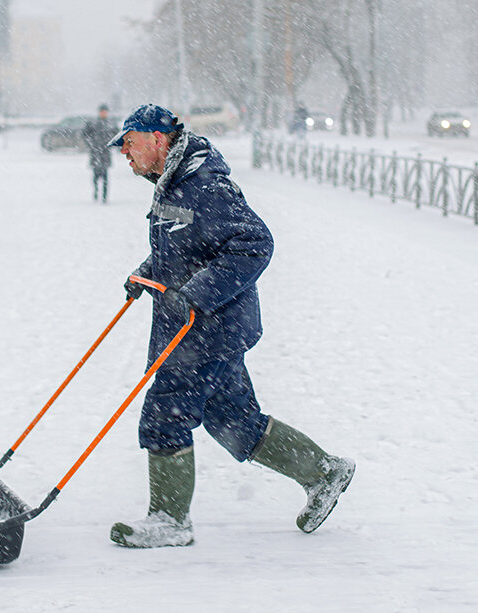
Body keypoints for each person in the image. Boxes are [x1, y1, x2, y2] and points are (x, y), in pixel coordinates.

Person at [110, 103, 355, 548]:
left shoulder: (204, 186)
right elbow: (191, 249)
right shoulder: (173, 184)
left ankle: (169, 520)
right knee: (235, 421)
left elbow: (254, 244)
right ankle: (324, 472)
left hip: (208, 329)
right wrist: (147, 273)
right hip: (203, 329)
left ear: (156, 140)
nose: (123, 153)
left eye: (128, 143)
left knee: (166, 411)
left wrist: (196, 295)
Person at [81, 103, 114, 202]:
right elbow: (84, 134)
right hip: (95, 153)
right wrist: (91, 144)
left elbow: (116, 135)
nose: (104, 113)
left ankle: (104, 196)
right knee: (95, 175)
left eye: (105, 112)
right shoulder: (93, 123)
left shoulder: (110, 124)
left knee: (105, 176)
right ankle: (96, 191)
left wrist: (111, 144)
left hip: (105, 153)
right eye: (102, 111)